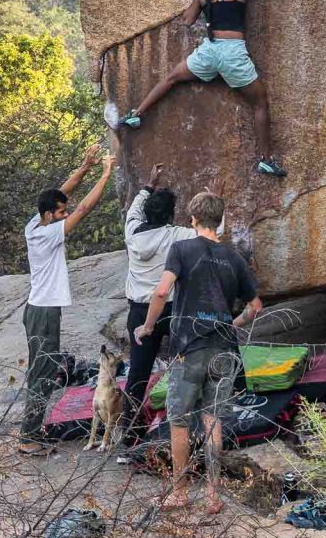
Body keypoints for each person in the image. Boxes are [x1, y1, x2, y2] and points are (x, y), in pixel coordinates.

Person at [120, 0, 299, 177]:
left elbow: (188, 20)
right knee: (260, 104)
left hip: (210, 51)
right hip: (232, 53)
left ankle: (137, 113)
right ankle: (265, 159)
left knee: (172, 78)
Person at [134, 191, 262, 514]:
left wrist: (147, 327)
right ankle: (212, 495)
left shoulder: (181, 249)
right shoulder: (233, 258)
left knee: (178, 420)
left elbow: (162, 290)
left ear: (192, 220)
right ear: (219, 222)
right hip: (224, 350)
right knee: (212, 420)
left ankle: (179, 492)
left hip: (189, 348)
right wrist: (233, 323)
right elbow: (256, 307)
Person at [16, 143, 113, 456]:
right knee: (42, 375)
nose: (65, 213)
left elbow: (62, 193)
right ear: (49, 215)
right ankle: (30, 439)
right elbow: (83, 209)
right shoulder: (47, 233)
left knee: (41, 371)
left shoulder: (35, 223)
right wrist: (106, 173)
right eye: (60, 212)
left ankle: (32, 433)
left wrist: (85, 167)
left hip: (37, 308)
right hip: (43, 312)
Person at [120, 167, 198, 446]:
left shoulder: (132, 233)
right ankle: (182, 429)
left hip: (139, 312)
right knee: (185, 367)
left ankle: (128, 438)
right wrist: (214, 198)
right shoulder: (176, 235)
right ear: (170, 214)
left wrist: (148, 185)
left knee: (137, 376)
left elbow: (133, 210)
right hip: (172, 308)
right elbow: (213, 231)